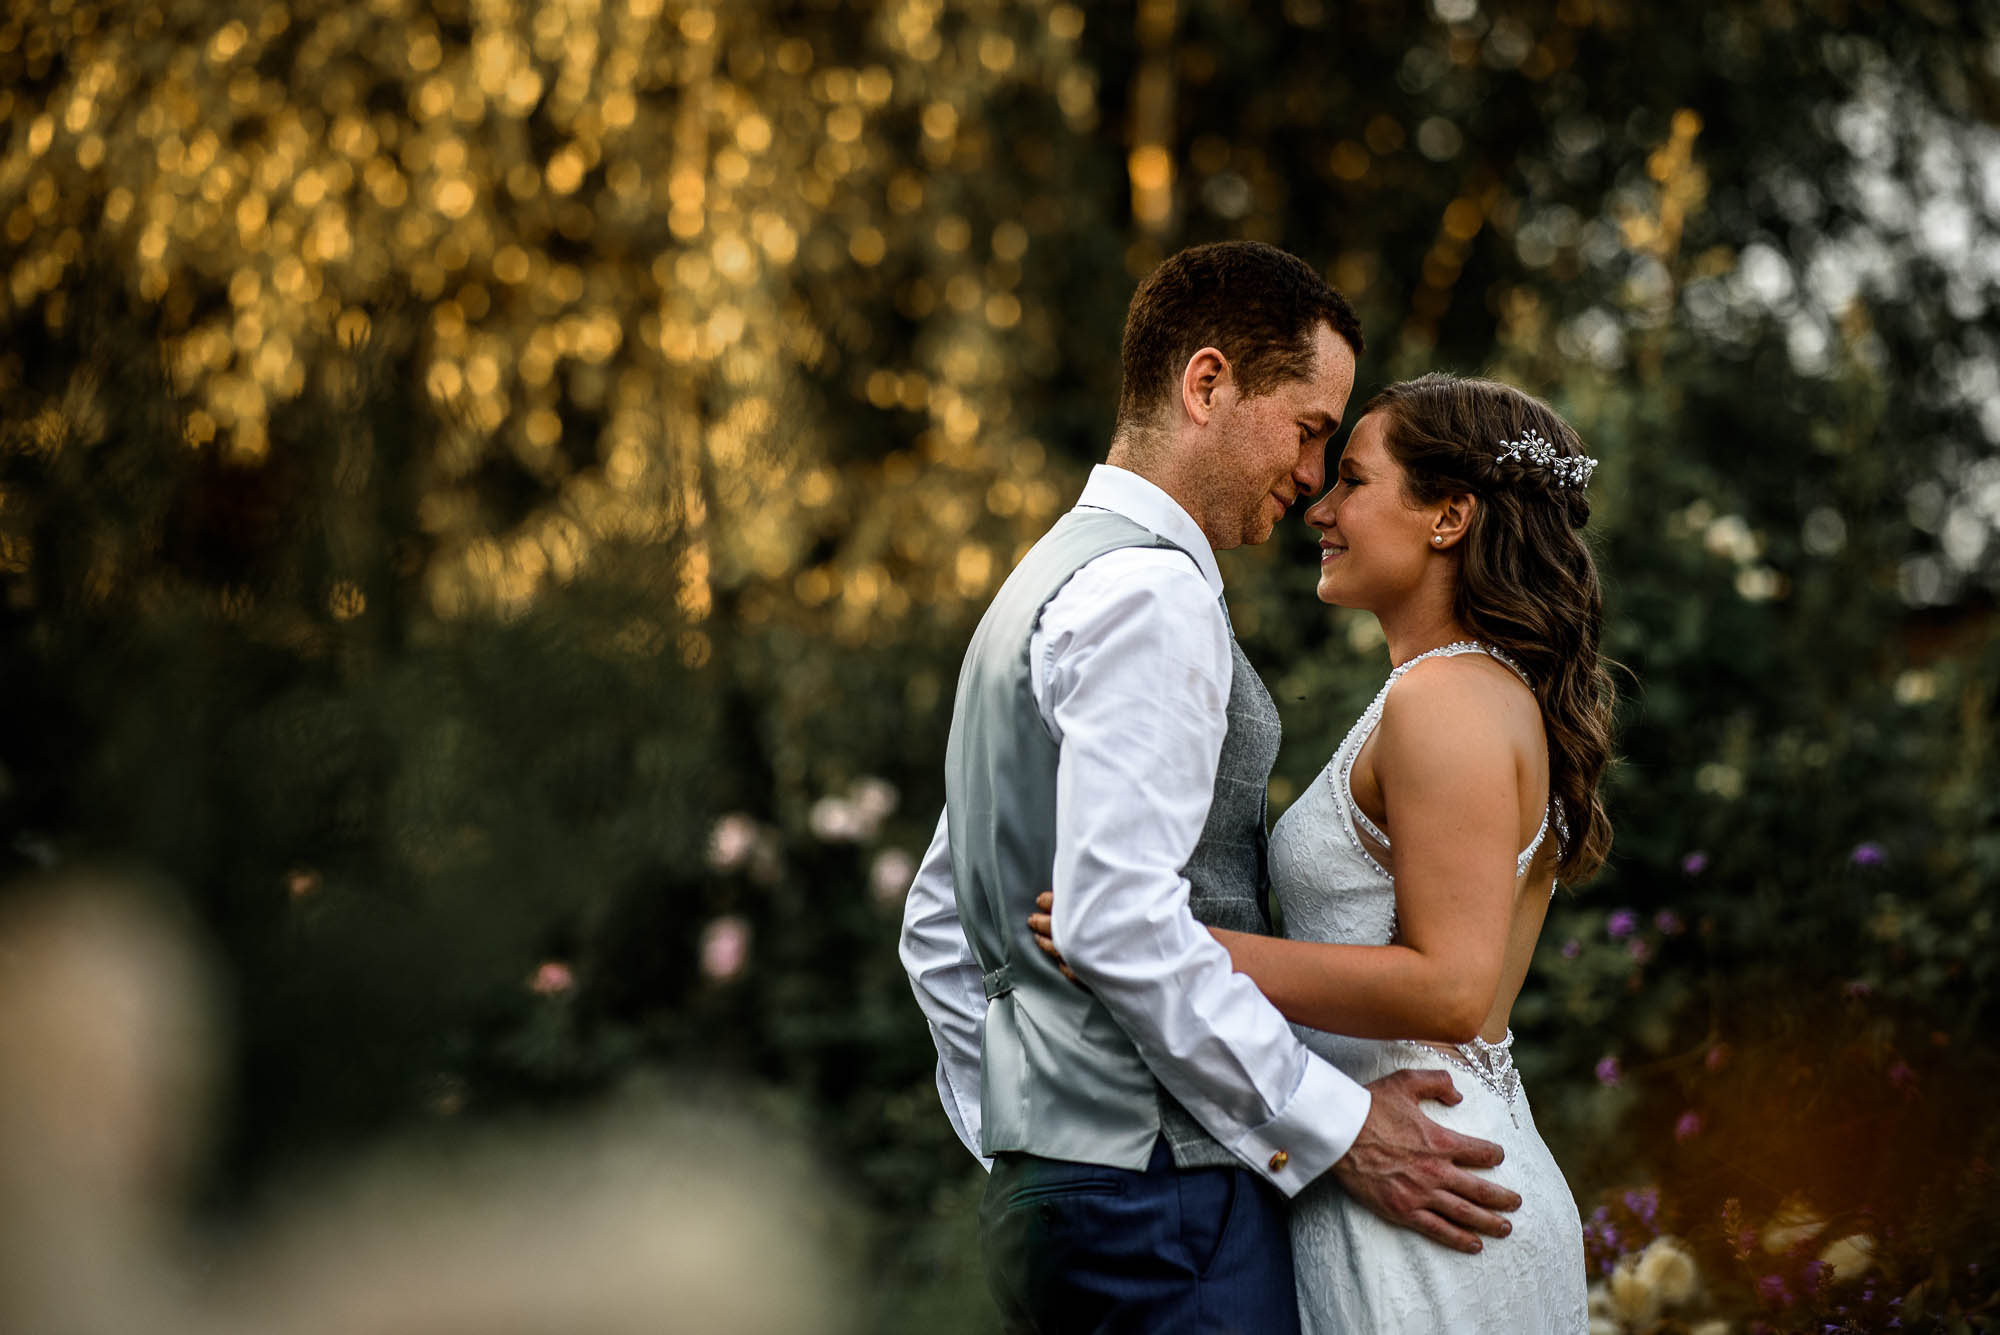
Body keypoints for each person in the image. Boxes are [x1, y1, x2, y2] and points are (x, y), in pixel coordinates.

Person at [899, 243, 1521, 1335]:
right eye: (1308, 427)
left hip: (1072, 1200)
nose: (1315, 474)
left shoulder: (1044, 582)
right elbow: (1120, 927)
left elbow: (936, 925)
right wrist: (1333, 1126)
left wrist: (1030, 1140)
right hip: (1163, 1204)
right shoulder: (1153, 597)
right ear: (1205, 384)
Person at [1033, 371, 1612, 1331]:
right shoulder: (1464, 691)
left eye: (1353, 480)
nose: (1320, 506)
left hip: (1428, 1184)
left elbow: (1454, 987)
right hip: (1422, 1160)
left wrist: (1152, 941)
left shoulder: (1447, 698)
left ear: (1449, 517)